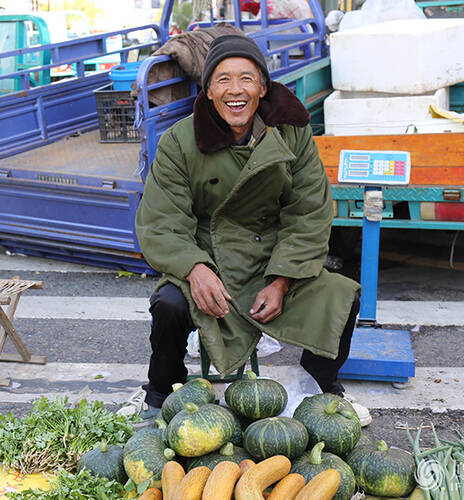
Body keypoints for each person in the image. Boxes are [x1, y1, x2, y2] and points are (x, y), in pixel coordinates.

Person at [127, 35, 371, 427]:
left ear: (262, 87)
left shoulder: (292, 134)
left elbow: (309, 212)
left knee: (342, 295)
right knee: (169, 304)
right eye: (222, 80)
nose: (235, 90)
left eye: (246, 78)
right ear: (208, 91)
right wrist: (194, 269)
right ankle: (159, 396)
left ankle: (323, 390)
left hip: (272, 258)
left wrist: (282, 280)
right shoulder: (180, 141)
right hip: (209, 259)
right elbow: (161, 220)